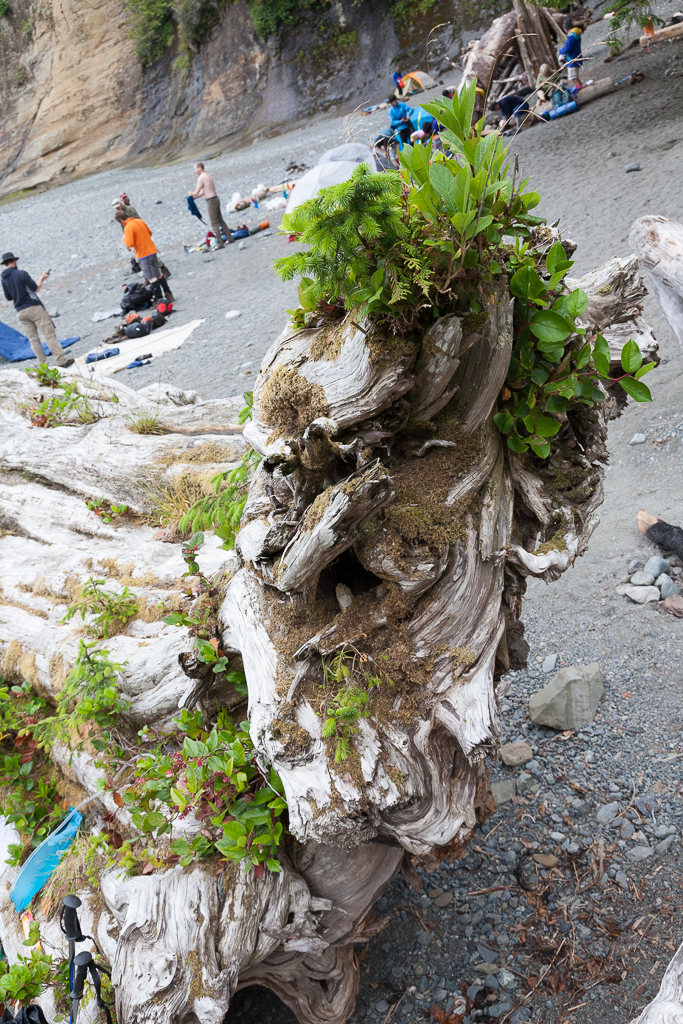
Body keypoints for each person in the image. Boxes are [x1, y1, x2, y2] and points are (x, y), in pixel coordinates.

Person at [1, 252, 74, 367]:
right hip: (33, 307)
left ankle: (43, 366)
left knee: (33, 339)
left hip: (20, 312)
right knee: (49, 334)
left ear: (5, 263)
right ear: (14, 260)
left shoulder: (4, 279)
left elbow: (9, 297)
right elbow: (36, 288)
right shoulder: (21, 274)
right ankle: (61, 361)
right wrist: (42, 277)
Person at [115, 212, 173, 301]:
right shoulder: (139, 221)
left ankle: (159, 299)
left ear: (121, 220)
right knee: (158, 275)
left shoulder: (128, 227)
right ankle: (169, 294)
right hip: (152, 250)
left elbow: (130, 243)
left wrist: (124, 240)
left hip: (144, 254)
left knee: (151, 278)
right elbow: (149, 232)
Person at [188, 162, 232, 249]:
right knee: (220, 220)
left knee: (214, 223)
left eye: (195, 169)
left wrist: (191, 193)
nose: (194, 171)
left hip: (211, 201)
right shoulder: (208, 175)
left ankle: (220, 243)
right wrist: (194, 198)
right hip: (215, 199)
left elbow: (196, 192)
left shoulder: (201, 177)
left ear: (200, 168)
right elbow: (203, 191)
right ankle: (230, 238)